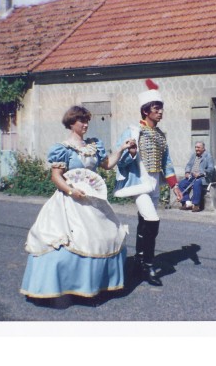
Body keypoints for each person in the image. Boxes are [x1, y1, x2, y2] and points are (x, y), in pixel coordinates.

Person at [20, 105, 136, 300]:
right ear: (71, 124)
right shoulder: (62, 149)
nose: (85, 124)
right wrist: (71, 190)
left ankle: (96, 284)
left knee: (103, 238)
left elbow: (106, 164)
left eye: (87, 120)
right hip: (70, 200)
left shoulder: (94, 145)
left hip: (93, 200)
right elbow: (56, 177)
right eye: (81, 121)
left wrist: (122, 148)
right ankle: (67, 286)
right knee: (72, 239)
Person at [114, 79, 183, 286]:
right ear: (146, 111)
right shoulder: (133, 131)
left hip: (154, 183)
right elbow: (120, 159)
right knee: (152, 221)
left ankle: (138, 262)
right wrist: (131, 153)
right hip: (140, 182)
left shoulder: (161, 135)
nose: (160, 112)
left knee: (146, 222)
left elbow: (166, 162)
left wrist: (175, 186)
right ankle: (147, 265)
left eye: (161, 108)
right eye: (156, 108)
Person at [178, 141, 216, 212]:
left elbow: (211, 169)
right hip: (192, 176)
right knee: (182, 184)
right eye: (196, 147)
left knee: (197, 183)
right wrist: (187, 172)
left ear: (203, 148)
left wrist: (201, 173)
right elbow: (189, 165)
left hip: (203, 177)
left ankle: (196, 205)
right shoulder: (194, 155)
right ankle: (187, 203)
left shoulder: (208, 156)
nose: (196, 149)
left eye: (198, 147)